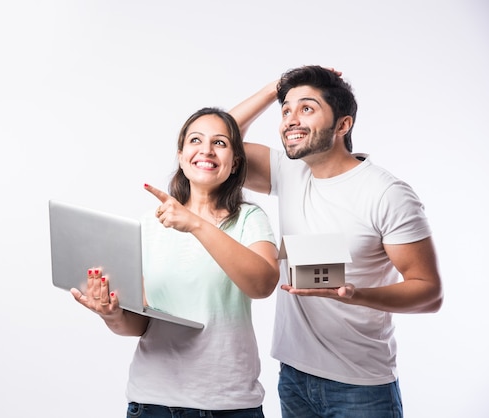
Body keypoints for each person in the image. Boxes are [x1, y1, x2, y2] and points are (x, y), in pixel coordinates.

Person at [228, 65, 444, 418]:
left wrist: (356, 294)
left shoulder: (387, 193)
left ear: (343, 125)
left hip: (360, 386)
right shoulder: (289, 171)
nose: (290, 120)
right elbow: (217, 138)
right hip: (294, 376)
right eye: (286, 110)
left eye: (307, 108)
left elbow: (429, 292)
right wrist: (275, 89)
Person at [71, 107, 280, 418]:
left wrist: (195, 223)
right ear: (182, 156)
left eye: (220, 143)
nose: (206, 150)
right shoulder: (149, 225)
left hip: (229, 405)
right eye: (195, 140)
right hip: (153, 403)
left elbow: (262, 285)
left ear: (235, 163)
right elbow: (140, 323)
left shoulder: (249, 219)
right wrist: (111, 315)